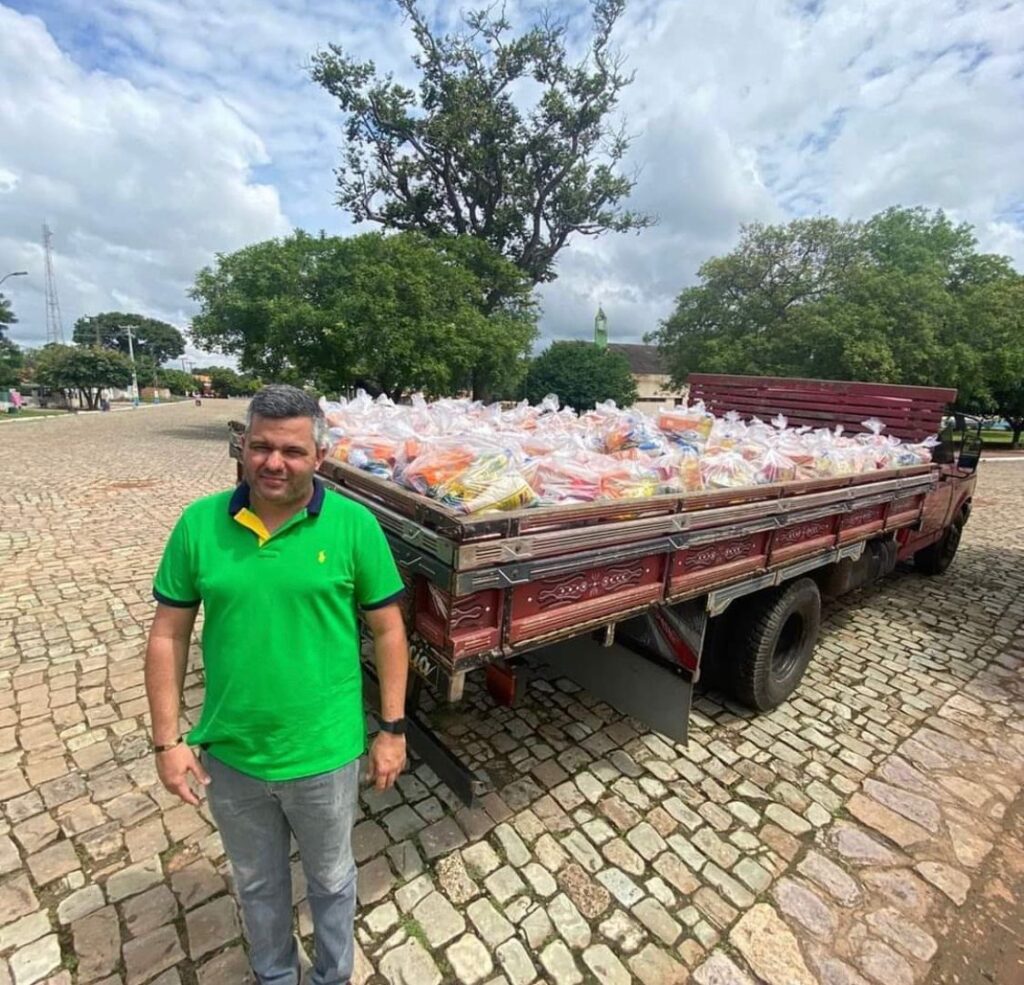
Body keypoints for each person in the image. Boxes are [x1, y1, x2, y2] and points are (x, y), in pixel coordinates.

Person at [145, 384, 409, 985]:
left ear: (320, 455)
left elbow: (390, 632)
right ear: (241, 446)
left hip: (325, 754)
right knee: (258, 882)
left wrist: (390, 729)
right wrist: (167, 741)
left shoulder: (354, 526)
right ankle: (275, 976)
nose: (273, 462)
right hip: (233, 754)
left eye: (291, 450)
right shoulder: (199, 524)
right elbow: (168, 635)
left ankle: (333, 976)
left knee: (334, 879)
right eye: (260, 446)